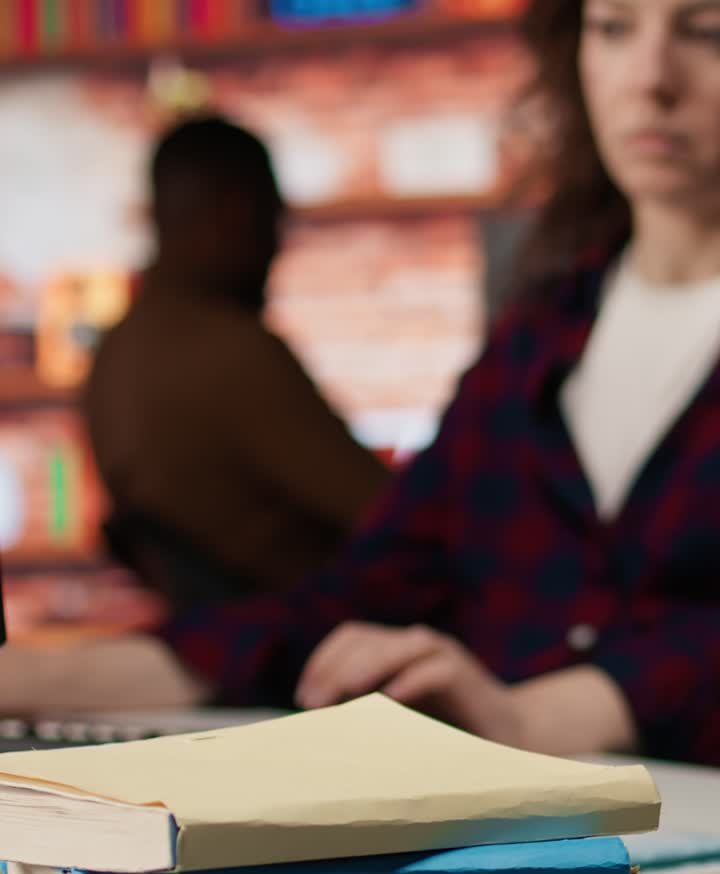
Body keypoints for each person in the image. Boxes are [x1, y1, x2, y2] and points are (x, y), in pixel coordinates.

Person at [2, 0, 720, 765]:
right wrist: (47, 673)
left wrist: (542, 716)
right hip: (504, 835)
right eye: (612, 27)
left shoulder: (176, 352)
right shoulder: (536, 339)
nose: (650, 79)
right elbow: (367, 583)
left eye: (707, 30)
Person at [85, 115, 387, 601]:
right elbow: (390, 515)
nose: (277, 246)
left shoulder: (115, 355)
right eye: (273, 218)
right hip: (311, 644)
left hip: (228, 650)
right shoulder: (230, 353)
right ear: (236, 211)